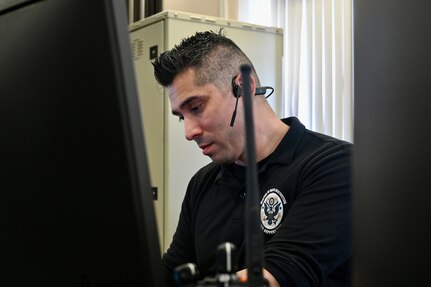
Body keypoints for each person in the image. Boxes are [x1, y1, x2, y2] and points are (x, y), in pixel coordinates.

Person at [152, 29, 352, 287]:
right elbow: (171, 274)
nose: (189, 132)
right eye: (181, 116)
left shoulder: (334, 166)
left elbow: (277, 275)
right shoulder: (202, 184)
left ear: (243, 87)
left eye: (197, 108)